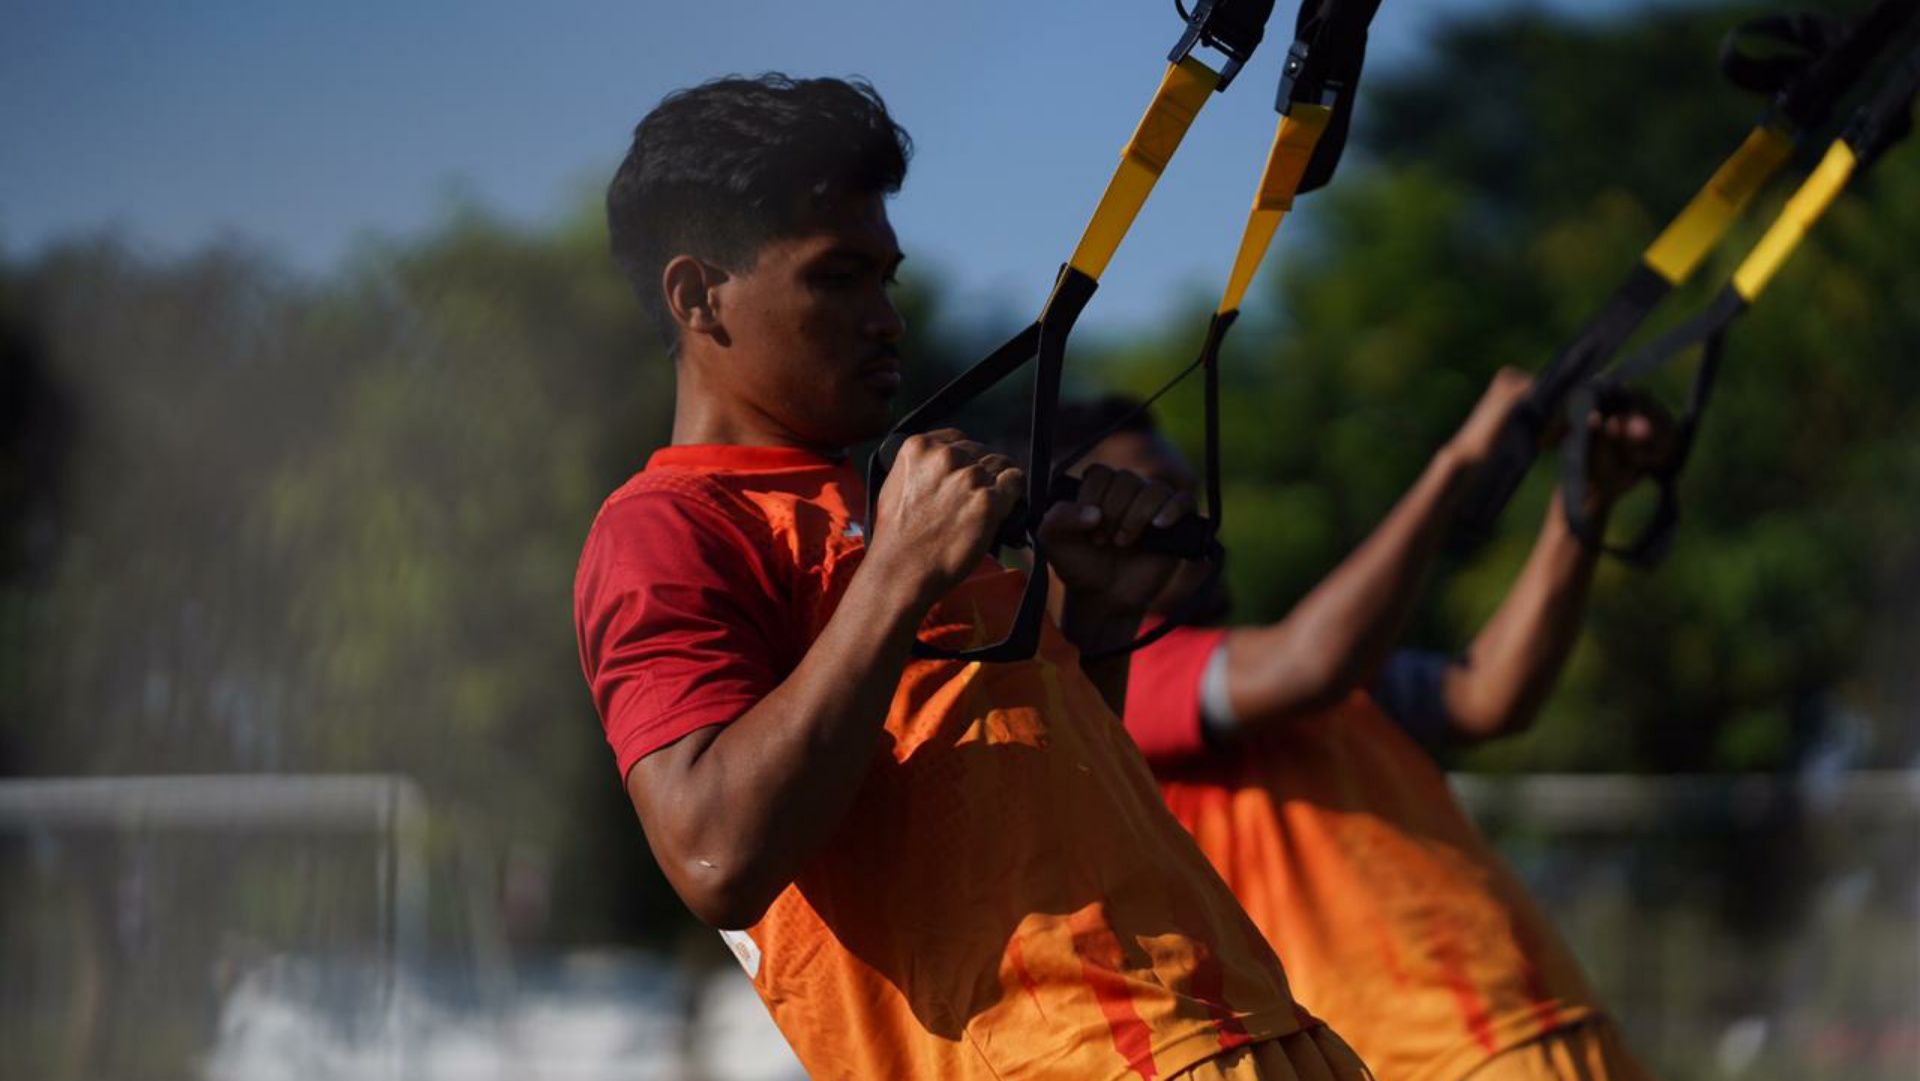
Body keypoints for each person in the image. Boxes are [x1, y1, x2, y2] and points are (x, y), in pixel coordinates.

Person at [574, 74, 1374, 1081]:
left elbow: (1030, 816)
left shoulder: (893, 508)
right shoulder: (666, 525)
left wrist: (1094, 617)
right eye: (839, 277)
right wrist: (895, 576)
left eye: (887, 278)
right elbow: (715, 857)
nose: (887, 318)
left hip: (1248, 1029)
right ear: (697, 295)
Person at [1037, 378, 1675, 1081]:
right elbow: (1311, 662)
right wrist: (1458, 462)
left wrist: (1586, 500)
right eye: (1152, 491)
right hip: (1413, 1057)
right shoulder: (1107, 678)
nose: (1186, 513)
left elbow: (1485, 695)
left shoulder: (1307, 674)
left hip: (1548, 1023)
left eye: (1188, 490)